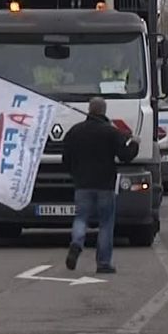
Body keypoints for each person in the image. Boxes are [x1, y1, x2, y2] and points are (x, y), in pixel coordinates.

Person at [62, 97, 139, 274]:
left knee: (81, 218)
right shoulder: (110, 132)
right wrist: (134, 142)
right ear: (104, 111)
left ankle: (77, 242)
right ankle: (103, 263)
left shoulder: (75, 131)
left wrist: (75, 174)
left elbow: (66, 158)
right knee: (106, 223)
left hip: (82, 184)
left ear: (89, 110)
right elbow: (125, 155)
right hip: (105, 185)